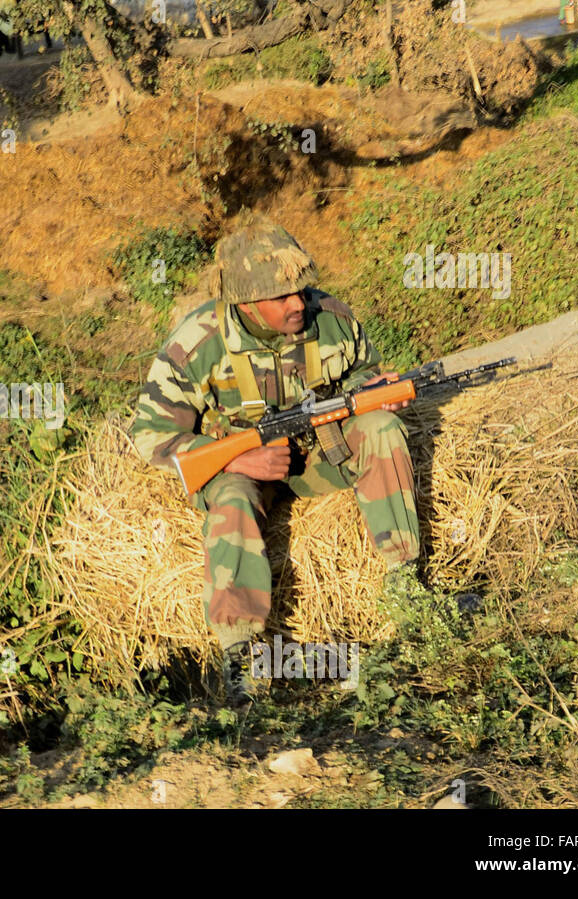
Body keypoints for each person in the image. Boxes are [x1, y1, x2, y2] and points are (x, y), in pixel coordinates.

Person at [130, 220, 422, 680]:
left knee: (382, 426)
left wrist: (379, 390)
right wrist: (233, 456)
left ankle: (407, 589)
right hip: (242, 469)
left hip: (318, 457)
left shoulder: (331, 319)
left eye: (301, 291)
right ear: (246, 303)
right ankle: (239, 653)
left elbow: (361, 376)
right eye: (282, 297)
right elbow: (150, 434)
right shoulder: (198, 343)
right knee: (230, 498)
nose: (297, 304)